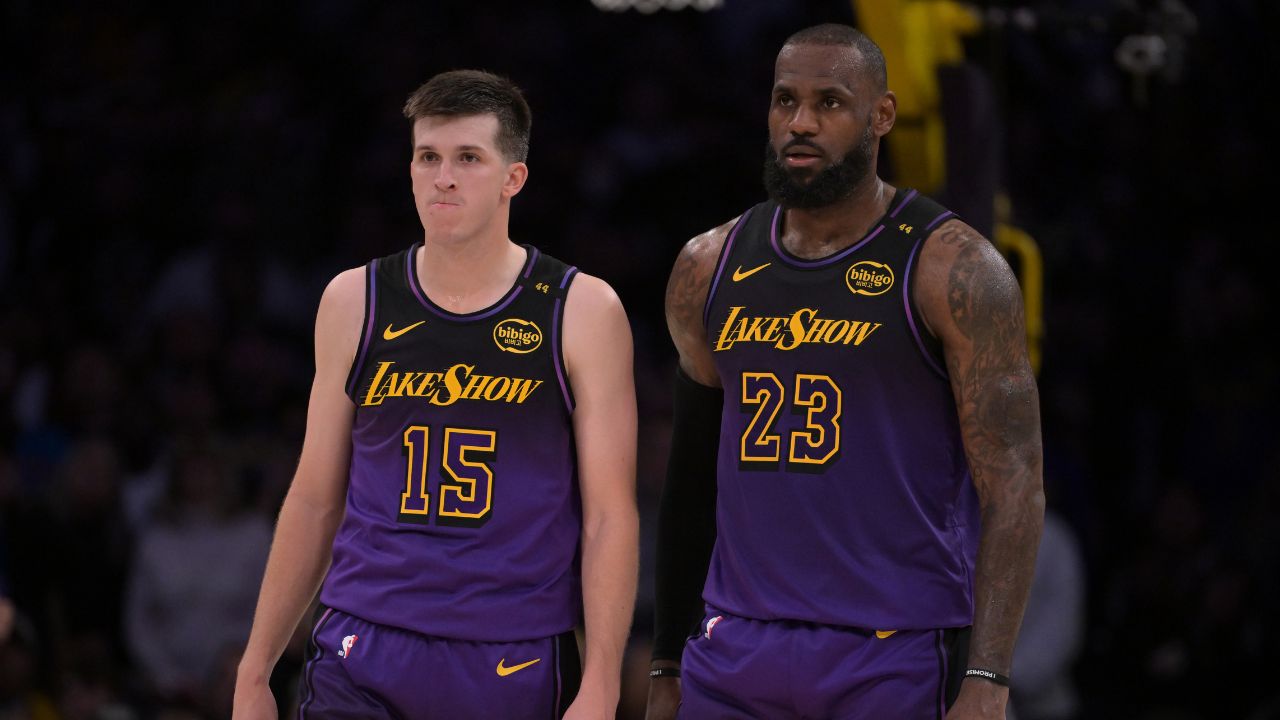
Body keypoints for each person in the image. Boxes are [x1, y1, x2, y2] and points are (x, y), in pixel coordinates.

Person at [646, 24, 1044, 720]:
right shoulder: (707, 266)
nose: (800, 123)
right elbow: (689, 477)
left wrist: (988, 674)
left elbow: (1015, 486)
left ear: (881, 116)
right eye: (784, 101)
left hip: (893, 651)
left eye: (829, 102)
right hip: (735, 644)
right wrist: (665, 661)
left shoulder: (954, 268)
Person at [233, 70, 639, 719]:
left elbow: (610, 516)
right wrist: (255, 669)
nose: (442, 177)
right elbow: (313, 498)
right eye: (428, 157)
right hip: (361, 644)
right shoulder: (354, 300)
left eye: (467, 158)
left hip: (511, 653)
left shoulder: (581, 309)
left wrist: (602, 684)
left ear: (514, 178)